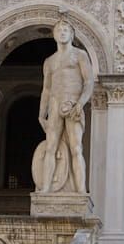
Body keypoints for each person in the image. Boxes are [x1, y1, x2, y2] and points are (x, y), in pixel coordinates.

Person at [36, 19, 94, 194]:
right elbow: (46, 89)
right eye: (59, 30)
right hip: (54, 104)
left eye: (66, 30)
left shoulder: (79, 55)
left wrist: (81, 103)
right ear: (54, 35)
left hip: (73, 103)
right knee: (50, 147)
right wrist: (41, 114)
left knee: (77, 148)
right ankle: (46, 187)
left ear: (72, 34)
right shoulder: (49, 61)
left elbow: (89, 81)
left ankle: (81, 190)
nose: (62, 32)